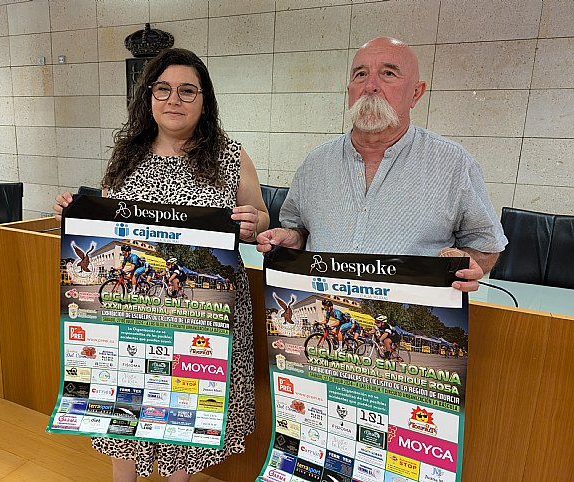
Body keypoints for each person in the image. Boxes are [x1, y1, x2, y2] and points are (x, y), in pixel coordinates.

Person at [54, 48, 269, 482]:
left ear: (204, 100)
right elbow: (105, 221)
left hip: (205, 316)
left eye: (188, 91)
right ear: (149, 98)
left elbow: (262, 215)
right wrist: (72, 212)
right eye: (164, 89)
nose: (174, 100)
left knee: (189, 407)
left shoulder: (230, 156)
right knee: (124, 398)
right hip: (133, 315)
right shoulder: (127, 155)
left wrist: (254, 221)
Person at [256, 37, 507, 292]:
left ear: (416, 93)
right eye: (360, 74)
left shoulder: (453, 164)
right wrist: (293, 241)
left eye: (388, 73)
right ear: (349, 91)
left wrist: (466, 263)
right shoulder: (315, 164)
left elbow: (486, 245)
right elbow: (299, 230)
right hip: (325, 318)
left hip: (406, 321)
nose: (370, 86)